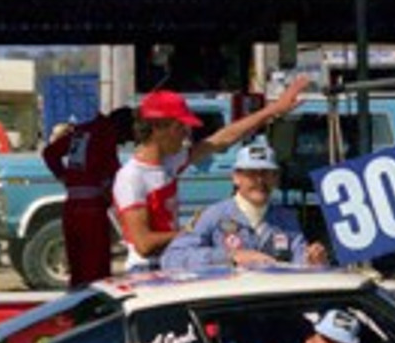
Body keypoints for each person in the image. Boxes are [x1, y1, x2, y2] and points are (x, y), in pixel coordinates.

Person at [113, 76, 310, 271]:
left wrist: (274, 110)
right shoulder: (131, 177)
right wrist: (195, 232)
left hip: (171, 262)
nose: (185, 135)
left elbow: (223, 138)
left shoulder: (170, 162)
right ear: (157, 128)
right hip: (147, 268)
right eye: (179, 127)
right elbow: (144, 245)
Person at [161, 136, 329, 270]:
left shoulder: (286, 219)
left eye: (266, 174)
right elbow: (171, 258)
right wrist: (230, 257)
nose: (260, 181)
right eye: (251, 174)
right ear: (236, 178)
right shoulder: (213, 215)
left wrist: (312, 260)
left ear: (276, 178)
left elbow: (299, 260)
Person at [42, 106, 135, 285]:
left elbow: (50, 153)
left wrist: (64, 177)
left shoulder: (82, 131)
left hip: (72, 207)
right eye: (125, 137)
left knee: (78, 269)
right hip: (93, 210)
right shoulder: (105, 134)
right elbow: (113, 174)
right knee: (97, 272)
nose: (123, 142)